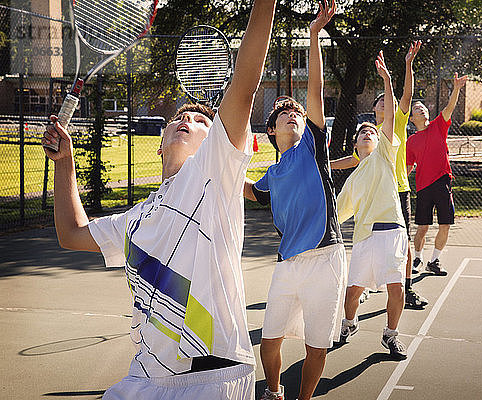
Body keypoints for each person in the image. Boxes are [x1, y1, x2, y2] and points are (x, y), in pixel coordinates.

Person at [40, 0, 277, 398]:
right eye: (179, 118)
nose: (189, 120)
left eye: (203, 121)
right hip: (144, 378)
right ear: (160, 144)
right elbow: (72, 232)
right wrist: (65, 163)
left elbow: (246, 82)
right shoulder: (135, 220)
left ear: (215, 141)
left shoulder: (213, 175)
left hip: (211, 375)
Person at [243, 1, 346, 399]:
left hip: (325, 259)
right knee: (269, 341)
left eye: (297, 113)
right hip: (287, 264)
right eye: (284, 112)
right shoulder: (271, 174)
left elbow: (315, 91)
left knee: (316, 347)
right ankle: (273, 391)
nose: (292, 114)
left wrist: (314, 35)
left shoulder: (313, 149)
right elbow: (249, 190)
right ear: (271, 130)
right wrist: (219, 167)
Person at [331, 41, 428, 310]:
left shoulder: (394, 123)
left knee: (404, 243)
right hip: (374, 191)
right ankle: (362, 286)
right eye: (382, 100)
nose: (388, 101)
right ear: (375, 108)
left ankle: (406, 288)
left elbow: (405, 96)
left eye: (389, 100)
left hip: (397, 187)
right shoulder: (370, 133)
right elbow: (354, 160)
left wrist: (407, 65)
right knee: (367, 239)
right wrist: (327, 165)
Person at [336, 50, 408, 358]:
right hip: (364, 238)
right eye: (362, 133)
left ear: (380, 140)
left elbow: (390, 115)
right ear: (355, 145)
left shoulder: (384, 156)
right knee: (353, 293)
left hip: (392, 231)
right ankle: (349, 323)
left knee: (397, 288)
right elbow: (335, 216)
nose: (368, 133)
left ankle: (390, 334)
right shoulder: (352, 180)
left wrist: (388, 79)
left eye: (371, 131)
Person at [406, 72, 468, 276]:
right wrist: (400, 187)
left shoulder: (438, 127)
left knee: (445, 225)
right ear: (411, 117)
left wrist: (457, 89)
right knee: (422, 227)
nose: (422, 109)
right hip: (423, 187)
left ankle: (434, 261)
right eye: (417, 109)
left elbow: (449, 107)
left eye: (423, 108)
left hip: (442, 184)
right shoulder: (411, 142)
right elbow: (407, 168)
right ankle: (417, 258)